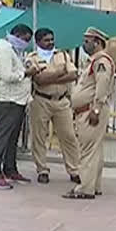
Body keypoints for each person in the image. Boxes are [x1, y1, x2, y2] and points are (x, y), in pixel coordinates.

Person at [63, 27, 115, 200]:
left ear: (97, 42)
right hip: (86, 110)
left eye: (87, 41)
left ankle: (85, 188)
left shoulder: (101, 62)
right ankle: (94, 186)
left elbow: (102, 86)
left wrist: (96, 109)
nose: (84, 44)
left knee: (87, 151)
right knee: (94, 150)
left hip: (91, 111)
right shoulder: (93, 61)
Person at [0, 24, 37, 190]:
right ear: (17, 35)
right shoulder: (3, 50)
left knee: (12, 138)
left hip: (18, 100)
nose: (26, 43)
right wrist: (26, 73)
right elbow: (7, 76)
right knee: (3, 137)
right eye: (25, 39)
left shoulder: (14, 50)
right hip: (7, 100)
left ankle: (10, 168)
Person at [27, 28, 81, 184]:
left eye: (51, 39)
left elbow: (73, 74)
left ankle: (74, 169)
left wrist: (51, 76)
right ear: (38, 42)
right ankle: (42, 169)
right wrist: (60, 73)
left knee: (69, 136)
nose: (50, 42)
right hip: (41, 100)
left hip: (62, 101)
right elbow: (39, 80)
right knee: (39, 137)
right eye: (46, 40)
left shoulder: (62, 55)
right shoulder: (32, 58)